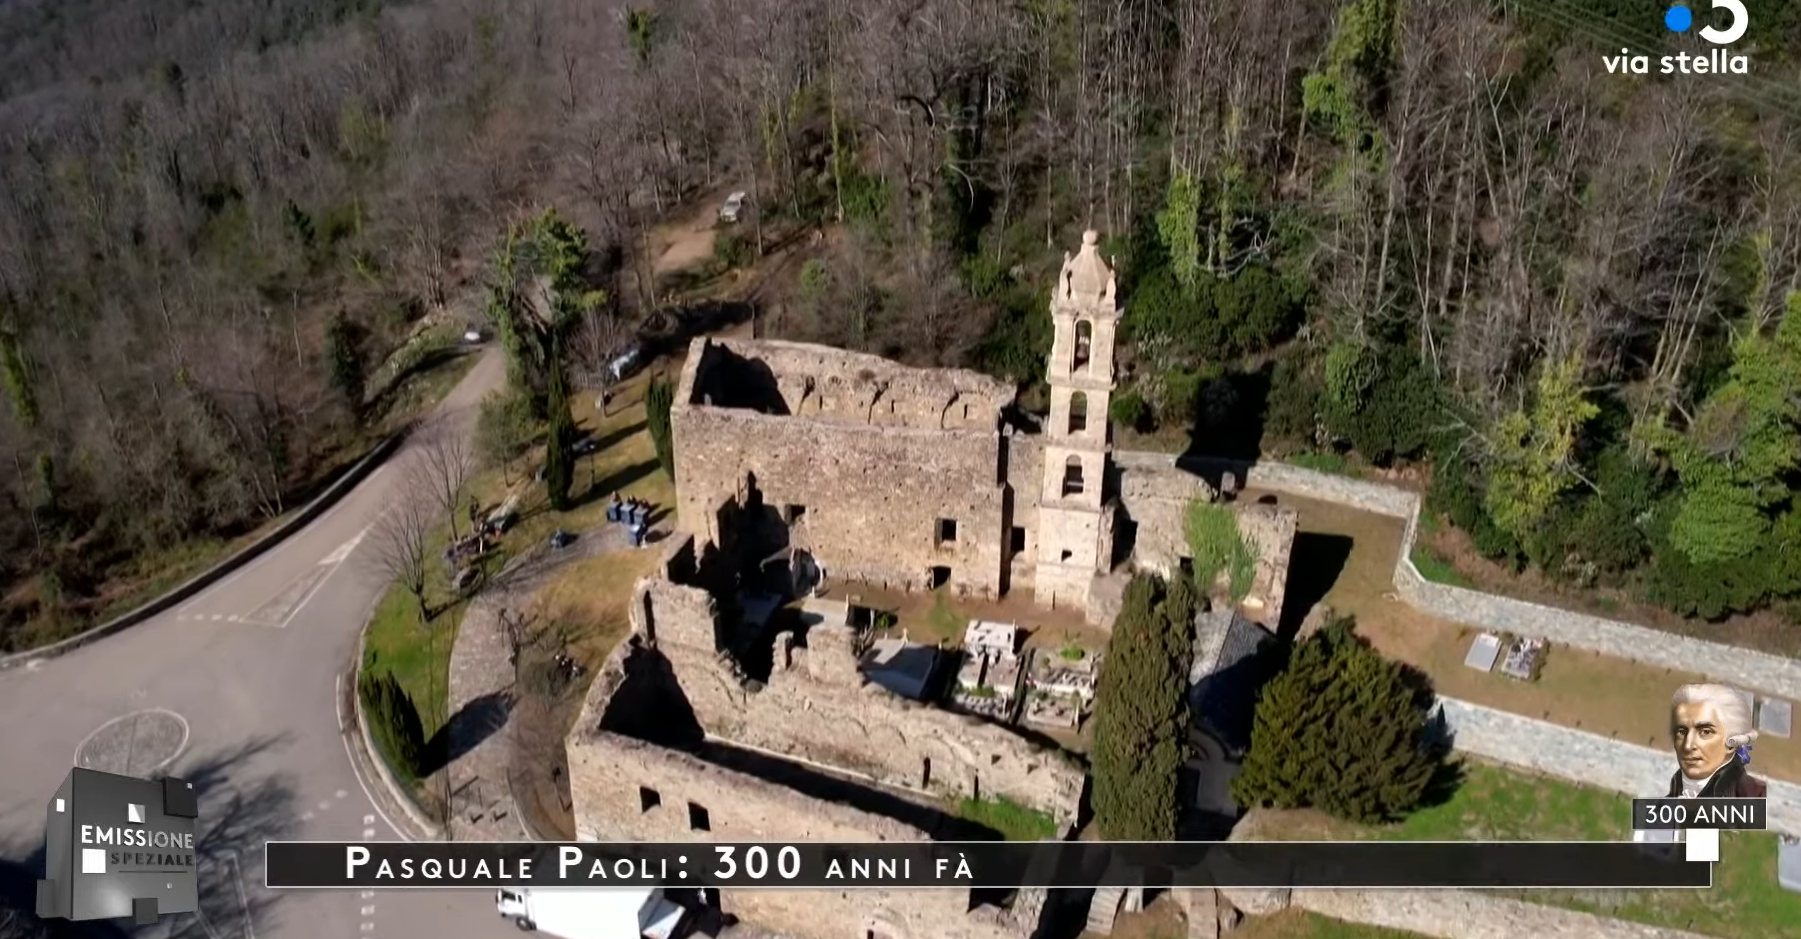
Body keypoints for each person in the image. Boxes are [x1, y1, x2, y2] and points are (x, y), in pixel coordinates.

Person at [1667, 683, 1765, 799]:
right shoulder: (1665, 806)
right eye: (1682, 732)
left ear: (1731, 743)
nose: (1688, 746)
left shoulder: (1753, 798)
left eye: (1705, 732)